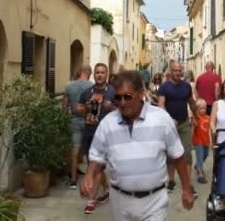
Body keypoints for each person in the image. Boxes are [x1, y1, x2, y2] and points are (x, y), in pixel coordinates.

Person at [81, 71, 194, 220]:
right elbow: (97, 156)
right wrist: (89, 175)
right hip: (120, 202)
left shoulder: (161, 119)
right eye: (118, 97)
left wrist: (186, 189)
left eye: (127, 97)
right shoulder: (108, 123)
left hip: (154, 202)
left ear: (141, 94)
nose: (122, 102)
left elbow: (178, 155)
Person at [77, 63, 116, 214]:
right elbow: (77, 108)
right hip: (89, 132)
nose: (100, 75)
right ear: (94, 74)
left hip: (106, 135)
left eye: (102, 73)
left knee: (97, 166)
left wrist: (111, 107)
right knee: (93, 165)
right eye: (97, 72)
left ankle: (91, 199)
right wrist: (85, 108)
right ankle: (106, 189)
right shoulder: (87, 92)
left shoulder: (113, 92)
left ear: (106, 75)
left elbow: (123, 110)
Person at [158, 62, 198, 197]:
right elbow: (161, 104)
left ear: (181, 72)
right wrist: (168, 120)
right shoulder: (164, 87)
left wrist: (197, 116)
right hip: (170, 125)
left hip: (184, 123)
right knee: (171, 155)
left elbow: (191, 102)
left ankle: (188, 184)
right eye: (175, 70)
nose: (177, 73)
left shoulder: (186, 87)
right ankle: (171, 180)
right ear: (171, 71)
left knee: (187, 153)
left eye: (179, 71)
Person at [62, 65, 93, 189]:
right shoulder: (91, 87)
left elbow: (64, 107)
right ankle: (90, 179)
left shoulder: (69, 86)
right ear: (89, 73)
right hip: (88, 120)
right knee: (91, 151)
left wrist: (65, 120)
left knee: (75, 151)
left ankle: (73, 180)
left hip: (74, 120)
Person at [192, 99, 211, 184]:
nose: (203, 110)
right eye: (201, 108)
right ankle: (200, 174)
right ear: (197, 109)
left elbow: (209, 130)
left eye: (204, 108)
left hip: (206, 140)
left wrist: (211, 140)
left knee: (205, 154)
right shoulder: (196, 118)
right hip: (198, 140)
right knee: (199, 157)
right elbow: (193, 126)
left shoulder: (208, 117)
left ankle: (197, 166)